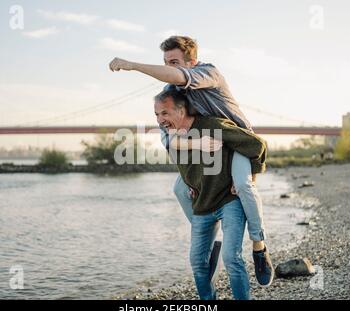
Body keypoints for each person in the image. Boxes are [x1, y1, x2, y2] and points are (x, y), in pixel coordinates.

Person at [109, 35, 274, 287]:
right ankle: (211, 237)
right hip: (211, 148)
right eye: (165, 62)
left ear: (192, 62)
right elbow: (168, 138)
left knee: (242, 184)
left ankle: (259, 246)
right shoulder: (173, 96)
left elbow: (179, 77)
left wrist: (132, 65)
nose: (168, 68)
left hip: (237, 141)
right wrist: (193, 142)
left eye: (174, 62)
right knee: (179, 189)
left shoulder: (209, 73)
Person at [153, 88, 267, 299]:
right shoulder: (170, 138)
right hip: (201, 206)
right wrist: (189, 182)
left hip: (228, 201)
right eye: (157, 114)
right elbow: (186, 167)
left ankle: (259, 249)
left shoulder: (212, 125)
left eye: (165, 113)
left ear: (181, 110)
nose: (160, 120)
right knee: (197, 263)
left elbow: (257, 145)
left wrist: (250, 176)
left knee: (232, 258)